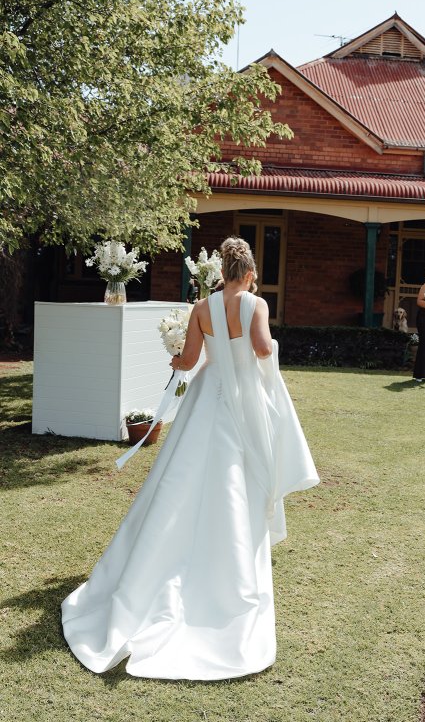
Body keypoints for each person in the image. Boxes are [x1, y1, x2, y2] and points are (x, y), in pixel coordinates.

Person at [62, 237, 319, 680]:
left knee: (183, 478)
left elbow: (190, 360)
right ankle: (228, 565)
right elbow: (261, 349)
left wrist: (174, 356)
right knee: (237, 479)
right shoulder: (255, 305)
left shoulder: (202, 307)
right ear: (250, 272)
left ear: (223, 271)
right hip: (244, 401)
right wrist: (268, 349)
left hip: (207, 396)